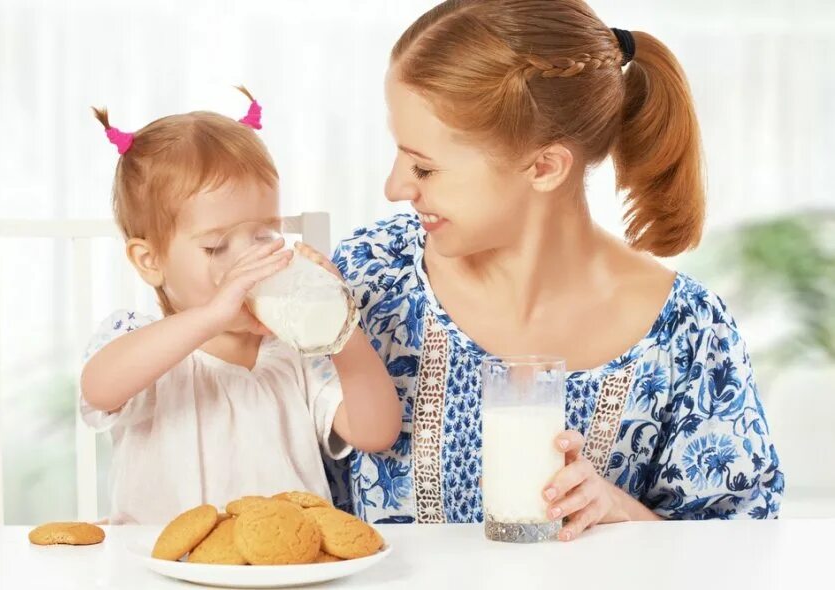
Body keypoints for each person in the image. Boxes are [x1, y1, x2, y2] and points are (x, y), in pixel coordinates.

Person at [332, 0, 784, 540]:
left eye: (424, 166)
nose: (396, 187)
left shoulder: (688, 334)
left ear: (544, 167)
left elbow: (746, 552)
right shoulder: (367, 279)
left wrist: (620, 513)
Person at [80, 88, 401, 524]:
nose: (247, 260)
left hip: (283, 570)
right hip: (164, 566)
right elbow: (99, 388)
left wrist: (341, 327)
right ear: (150, 260)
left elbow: (376, 432)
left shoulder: (294, 354)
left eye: (264, 236)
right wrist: (211, 318)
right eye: (216, 246)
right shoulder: (141, 343)